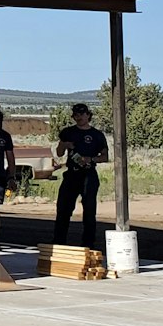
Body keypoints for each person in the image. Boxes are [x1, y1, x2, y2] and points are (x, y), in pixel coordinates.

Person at [53, 102, 110, 250]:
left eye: (82, 114)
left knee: (89, 211)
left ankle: (88, 244)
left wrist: (90, 159)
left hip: (89, 174)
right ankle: (59, 244)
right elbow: (59, 153)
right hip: (71, 174)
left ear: (88, 115)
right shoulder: (68, 132)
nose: (79, 117)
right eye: (76, 115)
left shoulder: (97, 135)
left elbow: (104, 157)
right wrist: (64, 145)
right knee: (63, 210)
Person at [0, 109, 16, 207]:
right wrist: (11, 177)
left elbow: (10, 158)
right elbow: (11, 158)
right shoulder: (5, 136)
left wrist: (10, 177)